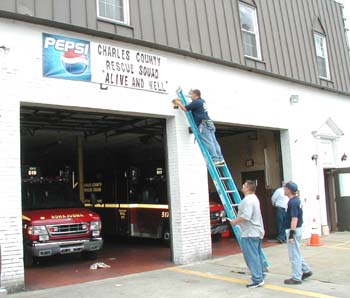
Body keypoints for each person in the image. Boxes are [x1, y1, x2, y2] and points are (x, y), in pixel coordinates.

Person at [227, 180, 265, 288]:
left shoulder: (247, 200)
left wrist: (234, 221)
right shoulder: (255, 199)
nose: (242, 186)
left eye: (244, 185)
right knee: (256, 255)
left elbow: (246, 216)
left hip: (249, 233)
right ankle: (260, 275)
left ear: (247, 188)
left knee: (251, 257)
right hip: (256, 232)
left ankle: (257, 279)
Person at [173, 89, 225, 166]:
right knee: (214, 142)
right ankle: (220, 159)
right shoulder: (202, 101)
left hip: (203, 124)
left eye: (192, 95)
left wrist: (178, 103)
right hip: (209, 123)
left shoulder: (196, 102)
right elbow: (192, 106)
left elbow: (185, 109)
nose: (191, 97)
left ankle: (215, 160)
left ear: (195, 95)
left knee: (209, 142)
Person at [283, 181, 313, 285]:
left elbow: (294, 218)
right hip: (297, 229)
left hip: (294, 229)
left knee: (294, 254)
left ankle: (296, 277)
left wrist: (291, 233)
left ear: (289, 190)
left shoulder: (293, 202)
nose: (284, 190)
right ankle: (306, 270)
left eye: (285, 188)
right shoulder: (296, 201)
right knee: (296, 251)